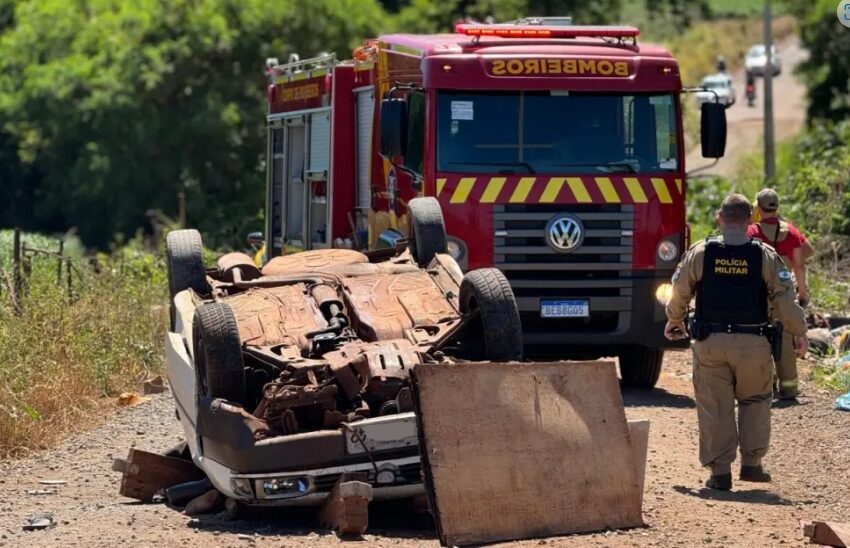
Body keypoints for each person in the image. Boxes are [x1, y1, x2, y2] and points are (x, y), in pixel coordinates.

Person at [665, 194, 807, 491]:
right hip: (753, 342)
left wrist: (674, 319)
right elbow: (785, 300)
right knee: (755, 401)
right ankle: (752, 465)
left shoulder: (701, 252)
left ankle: (720, 474)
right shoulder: (765, 255)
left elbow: (679, 290)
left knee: (715, 405)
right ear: (750, 219)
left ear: (720, 217)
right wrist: (799, 333)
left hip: (711, 342)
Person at [748, 188, 814, 400]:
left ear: (758, 207)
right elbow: (799, 265)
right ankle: (789, 388)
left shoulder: (752, 232)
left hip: (758, 294)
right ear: (777, 206)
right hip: (784, 292)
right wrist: (802, 292)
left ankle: (765, 385)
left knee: (759, 337)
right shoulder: (791, 232)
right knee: (785, 337)